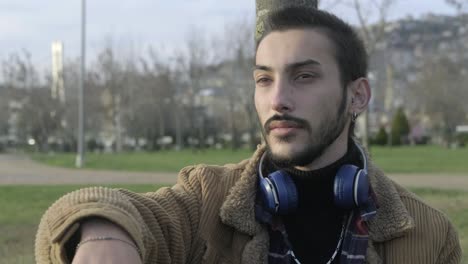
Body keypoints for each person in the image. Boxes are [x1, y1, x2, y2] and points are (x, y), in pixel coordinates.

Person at [35, 7, 461, 264]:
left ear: (358, 95)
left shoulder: (427, 234)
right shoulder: (208, 198)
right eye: (264, 79)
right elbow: (100, 206)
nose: (278, 100)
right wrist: (103, 234)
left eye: (305, 76)